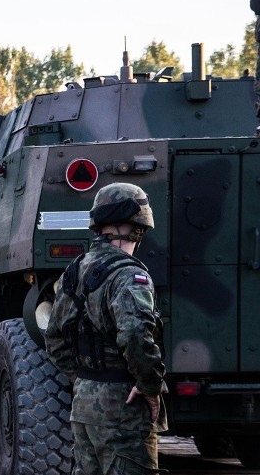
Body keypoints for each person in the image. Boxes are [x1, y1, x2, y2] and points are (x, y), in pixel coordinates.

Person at [45, 182, 167, 474]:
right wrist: (150, 387)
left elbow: (54, 338)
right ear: (138, 227)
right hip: (123, 407)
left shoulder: (75, 270)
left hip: (84, 403)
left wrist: (85, 379)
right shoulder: (130, 274)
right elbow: (136, 335)